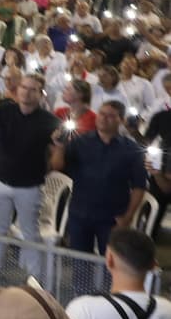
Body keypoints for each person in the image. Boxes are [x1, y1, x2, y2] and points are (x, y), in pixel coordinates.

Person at [0, 73, 60, 277]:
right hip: (0, 182)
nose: (26, 92)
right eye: (24, 87)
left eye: (33, 89)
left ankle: (34, 280)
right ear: (18, 90)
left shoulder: (50, 121)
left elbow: (58, 161)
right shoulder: (6, 110)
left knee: (30, 234)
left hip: (29, 188)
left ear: (41, 94)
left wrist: (58, 146)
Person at [49, 101, 147, 255]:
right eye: (101, 113)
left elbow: (139, 186)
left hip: (113, 217)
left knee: (110, 262)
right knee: (80, 263)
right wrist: (59, 146)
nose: (104, 118)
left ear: (120, 120)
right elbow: (56, 166)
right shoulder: (80, 142)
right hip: (80, 214)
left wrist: (127, 217)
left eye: (110, 116)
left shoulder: (131, 149)